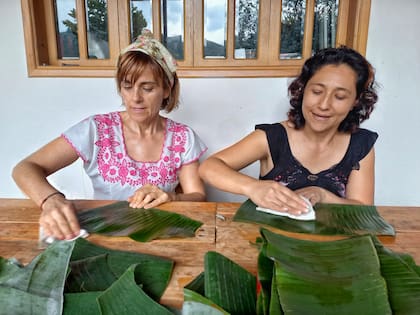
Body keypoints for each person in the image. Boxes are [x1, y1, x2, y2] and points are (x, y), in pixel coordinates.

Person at [12, 29, 207, 240]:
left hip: (159, 237)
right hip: (101, 237)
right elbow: (25, 168)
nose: (135, 98)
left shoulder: (183, 137)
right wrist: (51, 199)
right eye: (127, 86)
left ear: (167, 90)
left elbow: (198, 196)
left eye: (147, 88)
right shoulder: (96, 129)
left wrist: (171, 197)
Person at [199, 46, 378, 216]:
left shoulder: (360, 145)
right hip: (271, 242)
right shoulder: (272, 138)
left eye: (339, 96)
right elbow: (209, 167)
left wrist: (323, 195)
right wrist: (253, 187)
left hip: (334, 244)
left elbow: (363, 209)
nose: (324, 105)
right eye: (316, 91)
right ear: (303, 89)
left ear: (356, 100)